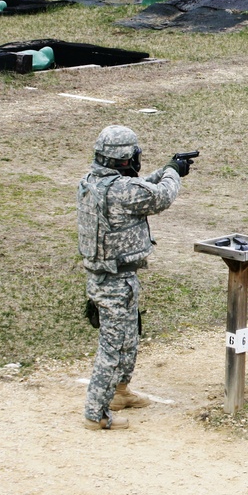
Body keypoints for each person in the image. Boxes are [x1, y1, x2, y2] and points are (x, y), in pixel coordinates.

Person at [77, 125, 192, 430]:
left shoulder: (93, 182)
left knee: (128, 339)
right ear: (125, 158)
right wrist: (173, 173)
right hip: (114, 282)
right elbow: (161, 196)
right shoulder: (121, 192)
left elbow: (138, 187)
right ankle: (95, 413)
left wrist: (166, 167)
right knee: (112, 347)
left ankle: (119, 392)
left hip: (113, 278)